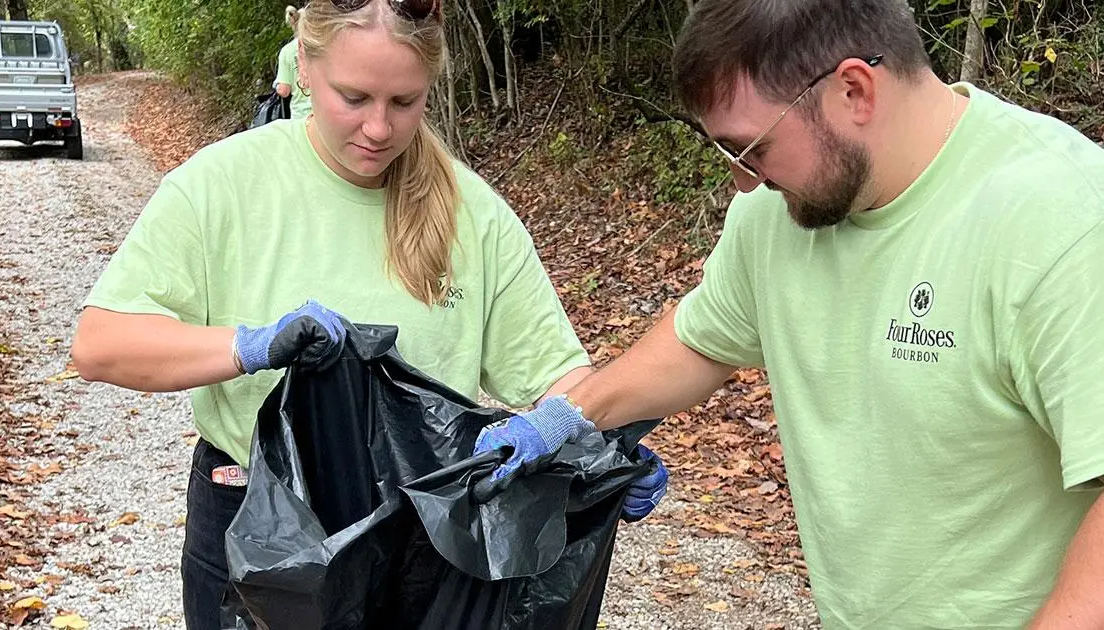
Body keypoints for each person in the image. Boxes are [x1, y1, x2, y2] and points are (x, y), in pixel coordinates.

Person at [473, 0, 1104, 627]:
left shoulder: (1061, 222)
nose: (744, 182)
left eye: (754, 150)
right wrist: (568, 417)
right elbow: (704, 341)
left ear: (854, 89)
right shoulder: (773, 217)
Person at [69, 1, 667, 628]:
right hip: (260, 532)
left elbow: (558, 378)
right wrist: (248, 346)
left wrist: (598, 447)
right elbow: (101, 343)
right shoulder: (222, 187)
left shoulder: (475, 218)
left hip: (425, 552)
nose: (379, 129)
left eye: (404, 103)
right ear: (303, 65)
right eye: (353, 97)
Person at [272, 7, 311, 119]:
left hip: (300, 116)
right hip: (325, 112)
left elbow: (284, 91)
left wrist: (277, 86)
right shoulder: (322, 45)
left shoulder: (286, 51)